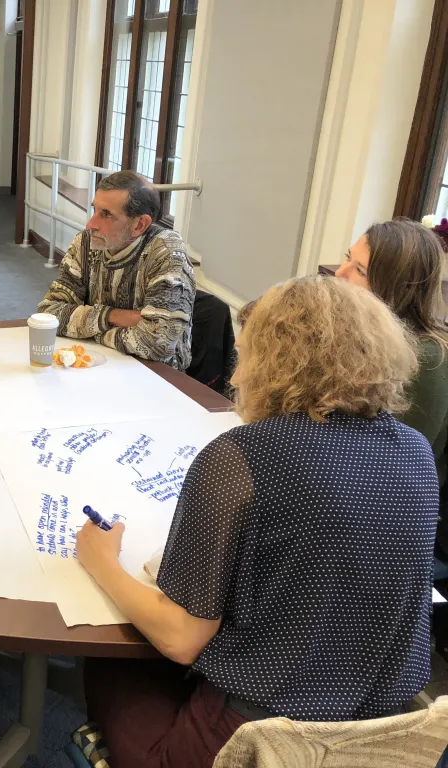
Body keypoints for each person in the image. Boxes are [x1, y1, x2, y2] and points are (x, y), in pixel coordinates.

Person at [77, 275, 437, 768]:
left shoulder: (241, 457)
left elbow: (181, 640)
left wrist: (104, 564)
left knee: (107, 653)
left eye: (244, 357)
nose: (237, 376)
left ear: (278, 364)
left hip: (259, 745)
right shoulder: (414, 451)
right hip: (380, 734)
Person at [335, 219, 448, 508]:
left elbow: (398, 472)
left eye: (359, 271)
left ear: (398, 288)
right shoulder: (362, 333)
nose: (340, 273)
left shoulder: (427, 358)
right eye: (347, 258)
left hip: (391, 512)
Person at [37, 170, 195, 370]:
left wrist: (86, 327)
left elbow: (158, 343)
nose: (91, 224)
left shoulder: (166, 252)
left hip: (154, 375)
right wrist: (114, 316)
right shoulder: (86, 242)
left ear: (139, 225)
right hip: (97, 363)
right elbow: (50, 313)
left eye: (106, 215)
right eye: (94, 209)